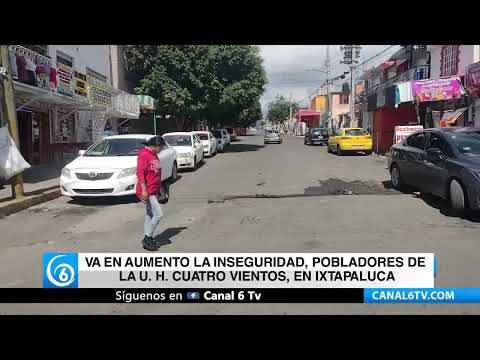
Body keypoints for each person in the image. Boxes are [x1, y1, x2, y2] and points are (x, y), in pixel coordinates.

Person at [136, 136, 164, 251]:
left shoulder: (154, 154)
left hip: (153, 190)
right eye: (160, 147)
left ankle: (148, 237)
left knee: (149, 215)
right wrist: (144, 190)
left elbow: (157, 173)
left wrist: (160, 188)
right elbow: (140, 173)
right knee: (158, 215)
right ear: (155, 146)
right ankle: (147, 237)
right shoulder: (144, 155)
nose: (161, 149)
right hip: (146, 191)